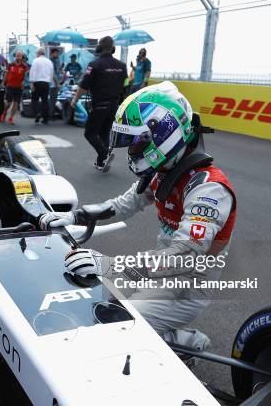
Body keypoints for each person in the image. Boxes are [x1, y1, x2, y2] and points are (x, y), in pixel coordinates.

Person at [40, 81, 237, 352]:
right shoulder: (164, 170)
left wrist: (109, 265)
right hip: (158, 270)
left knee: (120, 326)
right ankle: (161, 329)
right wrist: (74, 217)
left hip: (188, 285)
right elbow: (123, 204)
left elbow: (185, 256)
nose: (131, 150)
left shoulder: (209, 189)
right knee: (100, 307)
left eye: (136, 142)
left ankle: (189, 343)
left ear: (164, 133)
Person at [71, 36, 127, 172]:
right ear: (113, 49)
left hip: (100, 105)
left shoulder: (94, 65)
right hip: (115, 105)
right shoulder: (122, 66)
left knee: (89, 133)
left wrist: (74, 100)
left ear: (99, 48)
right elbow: (125, 85)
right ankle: (101, 162)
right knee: (104, 134)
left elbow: (83, 86)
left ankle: (104, 153)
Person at [0, 50, 28, 124]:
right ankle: (4, 112)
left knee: (16, 103)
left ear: (22, 57)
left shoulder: (24, 66)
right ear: (15, 56)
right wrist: (3, 82)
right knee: (8, 103)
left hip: (19, 87)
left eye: (20, 56)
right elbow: (6, 74)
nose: (18, 57)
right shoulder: (10, 65)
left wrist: (24, 81)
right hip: (10, 86)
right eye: (17, 56)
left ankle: (11, 118)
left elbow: (25, 76)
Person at [29, 47, 53, 125]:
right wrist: (49, 81)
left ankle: (37, 113)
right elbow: (51, 72)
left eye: (36, 53)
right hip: (46, 82)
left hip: (37, 82)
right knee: (45, 101)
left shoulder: (36, 61)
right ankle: (45, 119)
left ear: (38, 53)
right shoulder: (49, 61)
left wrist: (31, 83)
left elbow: (33, 72)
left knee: (34, 99)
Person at [49, 48, 63, 119]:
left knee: (54, 99)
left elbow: (58, 70)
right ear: (52, 53)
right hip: (52, 83)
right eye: (56, 53)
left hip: (56, 81)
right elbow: (52, 74)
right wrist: (57, 83)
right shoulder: (50, 61)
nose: (57, 54)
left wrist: (61, 69)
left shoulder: (57, 60)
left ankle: (52, 113)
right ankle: (51, 115)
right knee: (52, 99)